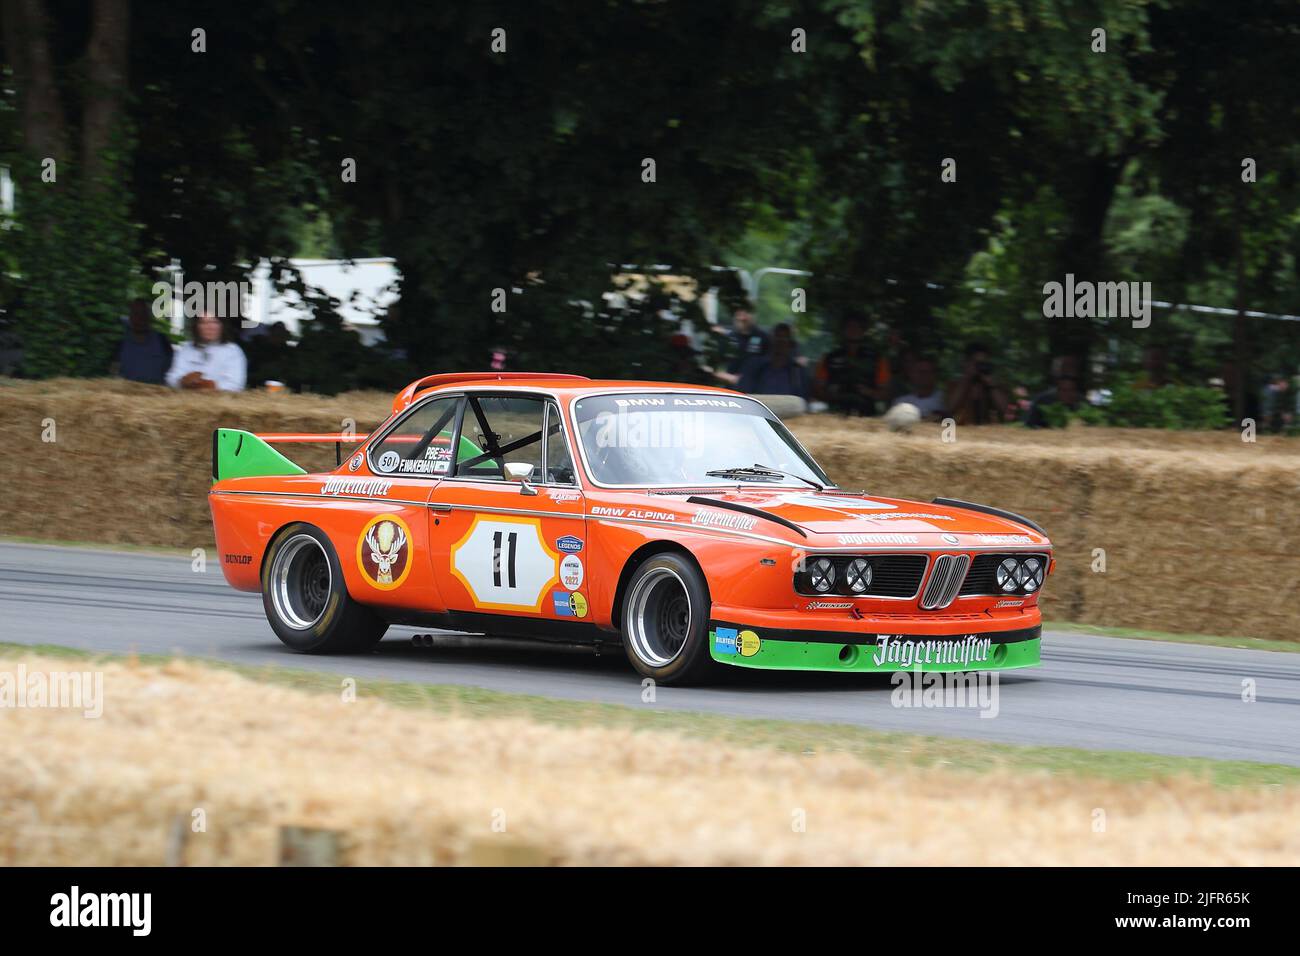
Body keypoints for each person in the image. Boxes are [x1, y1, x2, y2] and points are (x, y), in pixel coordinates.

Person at [166, 311, 247, 392]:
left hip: (220, 402)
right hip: (186, 401)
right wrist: (182, 382)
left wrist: (208, 385)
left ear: (222, 325)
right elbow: (171, 378)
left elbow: (236, 385)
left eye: (214, 322)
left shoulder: (233, 351)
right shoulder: (186, 349)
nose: (209, 327)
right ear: (197, 326)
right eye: (204, 323)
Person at [815, 313, 878, 415]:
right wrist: (831, 395)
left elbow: (886, 393)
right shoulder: (830, 358)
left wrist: (868, 392)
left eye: (857, 327)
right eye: (849, 326)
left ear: (864, 330)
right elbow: (817, 389)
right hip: (836, 413)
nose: (853, 330)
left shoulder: (876, 358)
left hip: (866, 415)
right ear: (843, 330)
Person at [737, 324, 808, 398]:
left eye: (785, 338)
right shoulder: (753, 366)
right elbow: (743, 396)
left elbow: (802, 401)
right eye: (777, 337)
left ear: (791, 345)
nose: (780, 342)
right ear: (770, 341)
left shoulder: (798, 373)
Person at [112, 299, 173, 385]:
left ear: (149, 317)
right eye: (136, 314)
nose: (140, 318)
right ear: (130, 317)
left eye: (144, 314)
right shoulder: (121, 344)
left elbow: (172, 374)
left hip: (157, 395)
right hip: (127, 396)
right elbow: (114, 373)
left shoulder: (162, 340)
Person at [946, 342, 1009, 425]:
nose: (980, 367)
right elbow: (950, 408)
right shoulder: (955, 385)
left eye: (983, 364)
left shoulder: (994, 386)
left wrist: (991, 385)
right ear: (966, 363)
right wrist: (967, 379)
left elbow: (1004, 409)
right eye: (976, 364)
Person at [712, 305, 769, 387]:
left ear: (753, 315)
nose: (742, 318)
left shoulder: (763, 338)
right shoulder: (728, 338)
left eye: (746, 313)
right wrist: (727, 377)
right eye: (739, 313)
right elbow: (711, 367)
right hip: (733, 392)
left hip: (758, 390)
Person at [890, 355, 947, 420]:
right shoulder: (901, 402)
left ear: (935, 375)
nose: (924, 375)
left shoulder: (944, 399)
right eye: (920, 372)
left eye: (928, 372)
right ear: (912, 374)